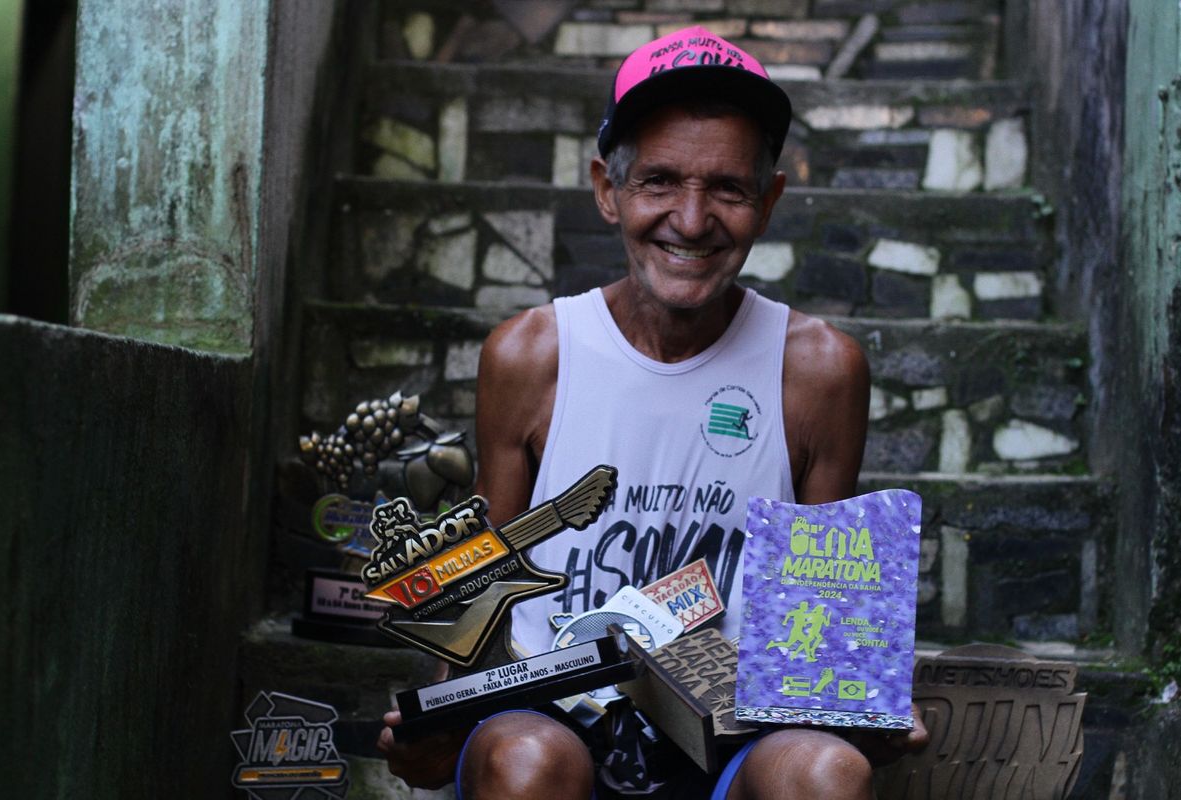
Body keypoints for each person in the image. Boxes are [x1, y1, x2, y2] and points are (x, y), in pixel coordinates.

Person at [378, 25, 926, 799]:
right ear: (608, 189)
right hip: (550, 713)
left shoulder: (817, 371)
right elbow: (483, 582)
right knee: (529, 764)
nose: (692, 220)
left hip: (735, 729)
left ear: (767, 202)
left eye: (729, 189)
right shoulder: (533, 355)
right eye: (659, 181)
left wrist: (858, 710)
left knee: (827, 775)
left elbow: (824, 616)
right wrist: (442, 716)